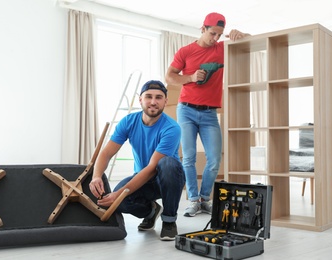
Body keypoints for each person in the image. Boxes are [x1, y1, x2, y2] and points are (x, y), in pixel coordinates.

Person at [165, 12, 250, 217]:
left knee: (214, 160)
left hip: (210, 113)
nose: (216, 39)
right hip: (186, 110)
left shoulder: (222, 49)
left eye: (219, 35)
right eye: (212, 33)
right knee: (189, 157)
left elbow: (251, 41)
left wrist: (242, 35)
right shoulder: (186, 51)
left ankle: (205, 199)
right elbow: (169, 76)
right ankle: (193, 200)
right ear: (202, 29)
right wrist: (191, 77)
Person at [89, 80, 185, 241]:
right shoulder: (128, 122)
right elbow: (106, 153)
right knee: (119, 202)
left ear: (165, 101)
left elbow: (153, 167)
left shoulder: (172, 128)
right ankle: (151, 212)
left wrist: (118, 193)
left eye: (159, 97)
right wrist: (96, 176)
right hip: (143, 177)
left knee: (167, 164)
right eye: (148, 96)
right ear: (140, 99)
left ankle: (169, 221)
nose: (153, 102)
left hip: (168, 178)